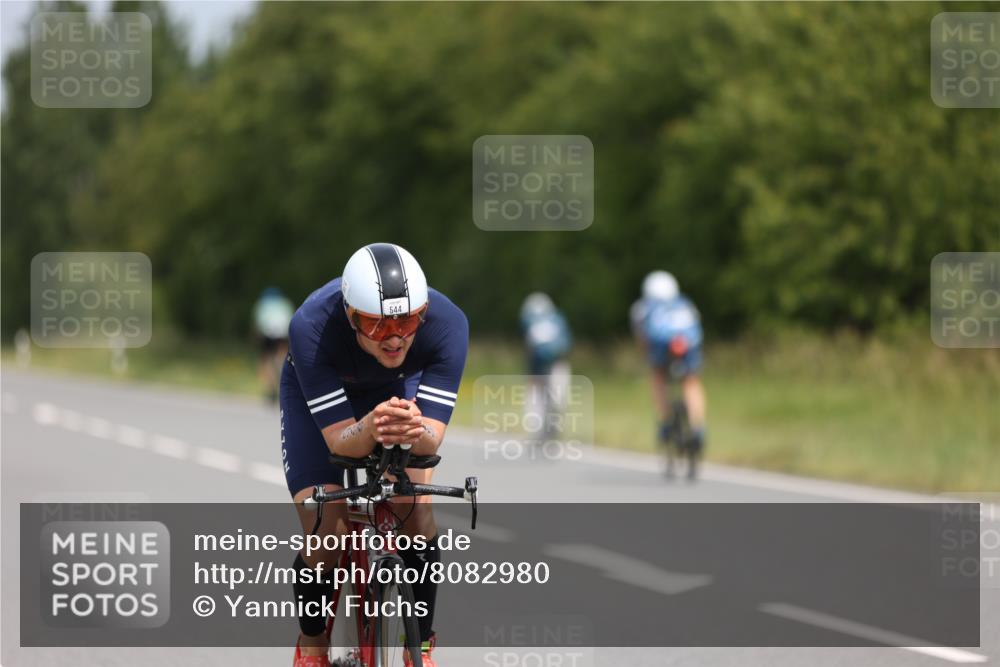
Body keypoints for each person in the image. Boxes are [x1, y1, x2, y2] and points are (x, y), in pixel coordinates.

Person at [281, 243, 468, 667]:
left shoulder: (446, 324)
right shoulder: (311, 325)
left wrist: (410, 428)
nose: (396, 336)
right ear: (351, 316)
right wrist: (369, 427)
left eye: (407, 321)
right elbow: (340, 443)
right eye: (377, 325)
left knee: (416, 509)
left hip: (395, 388)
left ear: (422, 311)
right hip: (323, 399)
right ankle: (312, 645)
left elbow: (429, 441)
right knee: (327, 523)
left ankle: (417, 649)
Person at [630, 271, 707, 455]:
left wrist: (646, 356)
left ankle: (665, 421)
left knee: (657, 375)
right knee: (691, 382)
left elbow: (642, 338)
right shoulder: (685, 304)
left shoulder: (643, 307)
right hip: (688, 347)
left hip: (661, 349)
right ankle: (698, 428)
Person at [519, 293, 572, 441]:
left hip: (552, 366)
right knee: (549, 401)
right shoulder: (556, 320)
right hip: (554, 365)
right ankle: (545, 431)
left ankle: (545, 431)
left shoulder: (538, 322)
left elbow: (531, 350)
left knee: (547, 401)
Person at [253, 286, 295, 402]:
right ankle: (283, 383)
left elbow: (258, 323)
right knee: (282, 359)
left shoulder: (263, 303)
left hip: (267, 334)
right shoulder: (284, 303)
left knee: (266, 361)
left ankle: (270, 389)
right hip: (282, 333)